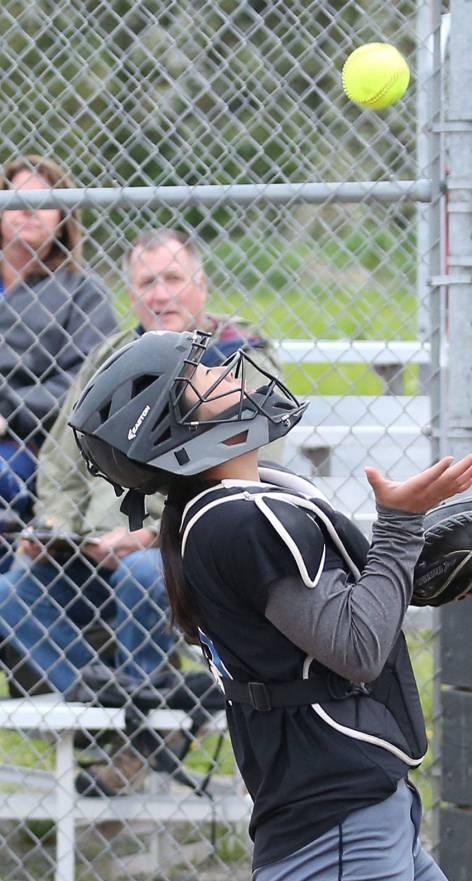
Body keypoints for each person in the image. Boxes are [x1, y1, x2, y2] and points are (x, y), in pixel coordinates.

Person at [68, 328, 472, 881]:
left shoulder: (252, 497)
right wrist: (401, 527)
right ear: (176, 425)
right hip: (333, 825)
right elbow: (356, 647)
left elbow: (341, 610)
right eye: (202, 377)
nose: (228, 373)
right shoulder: (231, 520)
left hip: (363, 805)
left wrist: (415, 567)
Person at [0, 229, 282, 796]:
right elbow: (60, 456)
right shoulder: (113, 356)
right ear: (131, 295)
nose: (160, 293)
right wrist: (54, 529)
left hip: (190, 551)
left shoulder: (235, 354)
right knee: (11, 592)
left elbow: (253, 463)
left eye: (173, 278)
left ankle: (137, 735)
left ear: (201, 286)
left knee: (141, 574)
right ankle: (131, 722)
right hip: (92, 549)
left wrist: (152, 534)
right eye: (146, 283)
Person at [0, 154, 117, 565]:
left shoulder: (83, 292)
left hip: (33, 442)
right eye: (17, 199)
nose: (29, 210)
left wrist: (8, 413)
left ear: (63, 218)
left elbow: (87, 386)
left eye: (45, 201)